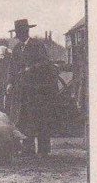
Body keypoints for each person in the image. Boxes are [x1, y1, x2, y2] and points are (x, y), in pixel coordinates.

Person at [6, 19, 58, 156]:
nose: (18, 35)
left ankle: (43, 150)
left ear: (26, 32)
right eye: (17, 33)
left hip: (38, 90)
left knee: (40, 119)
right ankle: (28, 149)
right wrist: (10, 83)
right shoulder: (16, 49)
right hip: (22, 91)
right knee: (24, 119)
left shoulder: (37, 45)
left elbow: (45, 62)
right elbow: (12, 68)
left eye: (20, 32)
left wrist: (31, 68)